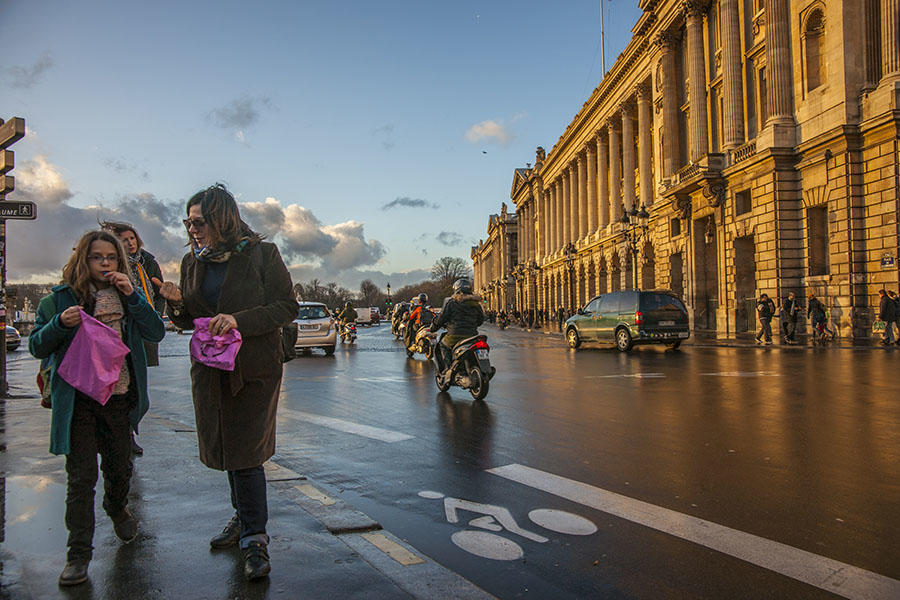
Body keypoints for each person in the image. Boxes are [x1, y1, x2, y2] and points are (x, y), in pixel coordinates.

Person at [154, 184, 295, 581]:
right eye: (188, 222)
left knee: (247, 452)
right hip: (212, 367)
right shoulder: (192, 262)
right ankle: (242, 517)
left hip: (253, 369)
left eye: (199, 221)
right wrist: (176, 302)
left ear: (222, 219)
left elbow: (286, 307)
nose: (192, 229)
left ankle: (255, 538)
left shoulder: (262, 254)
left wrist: (238, 320)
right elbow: (189, 320)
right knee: (229, 448)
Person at [29, 230, 165, 587]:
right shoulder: (59, 300)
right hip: (78, 403)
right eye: (97, 257)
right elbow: (36, 346)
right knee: (81, 479)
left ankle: (116, 506)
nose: (105, 264)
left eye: (112, 258)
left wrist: (132, 295)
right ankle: (78, 555)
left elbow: (155, 332)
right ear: (83, 261)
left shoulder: (127, 296)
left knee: (120, 469)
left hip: (118, 401)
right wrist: (61, 323)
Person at [100, 220, 165, 455]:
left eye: (132, 238)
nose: (130, 243)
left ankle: (126, 433)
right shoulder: (112, 267)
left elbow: (159, 291)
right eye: (125, 240)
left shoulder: (147, 262)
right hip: (123, 330)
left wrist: (156, 311)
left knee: (134, 384)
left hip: (143, 319)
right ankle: (121, 435)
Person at [430, 278, 485, 369]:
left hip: (455, 335)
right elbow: (480, 320)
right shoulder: (476, 304)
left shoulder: (452, 303)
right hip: (472, 336)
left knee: (443, 345)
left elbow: (442, 318)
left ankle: (448, 369)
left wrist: (434, 327)